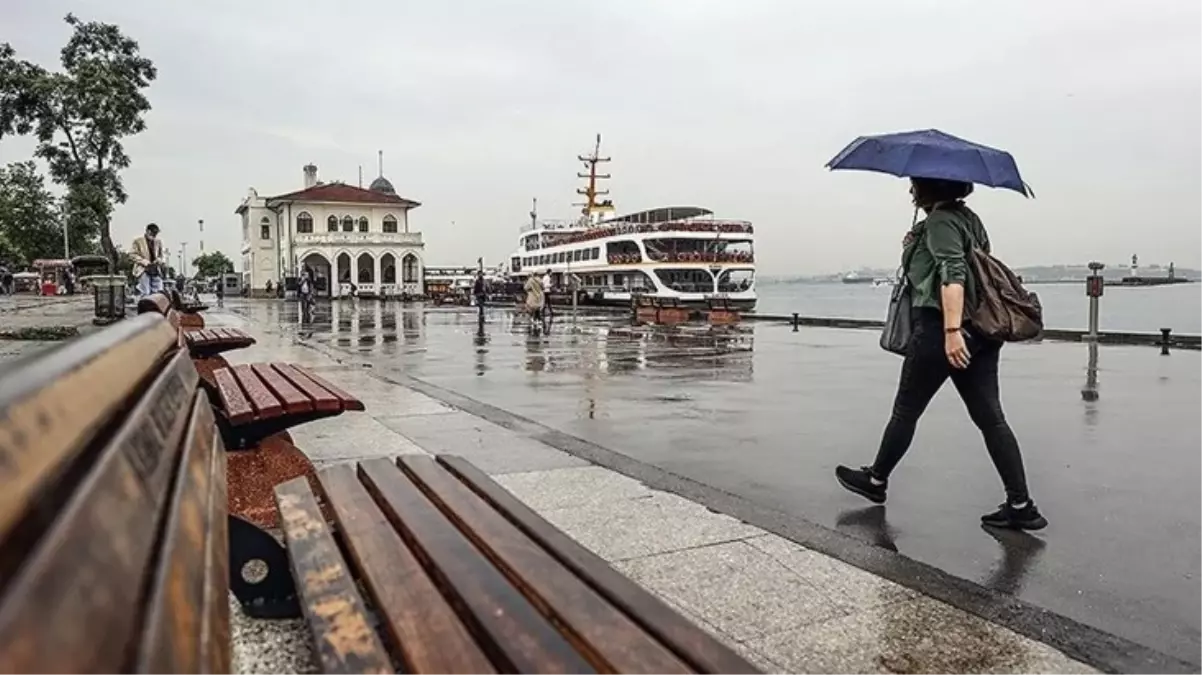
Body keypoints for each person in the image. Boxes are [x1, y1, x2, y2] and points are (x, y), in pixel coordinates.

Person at [835, 177, 1046, 531]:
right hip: (980, 330)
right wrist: (915, 244)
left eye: (915, 184)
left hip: (942, 328)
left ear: (930, 187)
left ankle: (875, 481)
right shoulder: (968, 219)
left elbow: (953, 274)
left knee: (906, 410)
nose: (910, 191)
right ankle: (1021, 503)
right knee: (991, 418)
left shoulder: (941, 222)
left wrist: (950, 332)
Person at [130, 223, 165, 298]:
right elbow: (132, 255)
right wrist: (144, 262)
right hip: (143, 269)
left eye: (156, 233)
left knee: (158, 292)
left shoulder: (158, 242)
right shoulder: (138, 241)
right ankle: (145, 308)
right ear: (147, 231)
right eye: (152, 232)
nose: (154, 235)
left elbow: (161, 255)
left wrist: (159, 260)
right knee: (145, 292)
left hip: (155, 269)